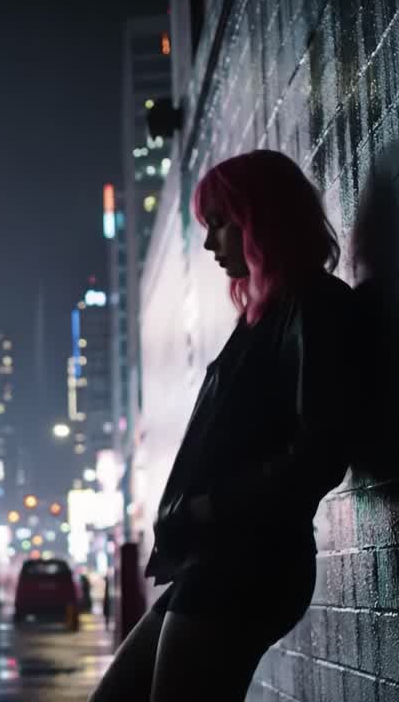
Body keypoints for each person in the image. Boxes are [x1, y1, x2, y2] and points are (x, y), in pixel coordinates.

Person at [89, 150, 354, 701]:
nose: (210, 243)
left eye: (220, 223)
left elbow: (322, 451)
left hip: (249, 562)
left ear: (261, 218)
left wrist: (215, 505)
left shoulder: (312, 306)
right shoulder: (266, 315)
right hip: (218, 560)